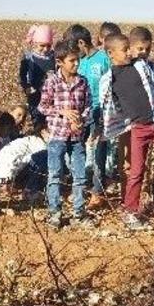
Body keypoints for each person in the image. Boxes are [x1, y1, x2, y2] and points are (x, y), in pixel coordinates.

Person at [99, 33, 154, 231]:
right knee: (136, 170)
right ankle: (130, 211)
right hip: (138, 128)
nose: (130, 52)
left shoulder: (141, 66)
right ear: (111, 53)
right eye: (124, 50)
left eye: (130, 48)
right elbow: (109, 106)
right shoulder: (109, 79)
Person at [38, 40, 96, 229]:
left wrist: (82, 120)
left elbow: (88, 106)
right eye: (72, 60)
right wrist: (62, 111)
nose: (76, 64)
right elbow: (42, 106)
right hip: (57, 136)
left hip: (77, 137)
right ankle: (55, 213)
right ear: (60, 62)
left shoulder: (83, 82)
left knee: (79, 176)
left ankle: (79, 213)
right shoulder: (52, 81)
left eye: (78, 60)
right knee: (55, 174)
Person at [64, 24, 113, 209]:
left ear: (82, 43)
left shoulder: (103, 59)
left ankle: (98, 190)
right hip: (81, 112)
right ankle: (79, 186)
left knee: (99, 149)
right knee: (77, 148)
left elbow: (112, 84)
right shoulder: (78, 61)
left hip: (101, 111)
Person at [19, 24, 56, 121]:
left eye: (49, 46)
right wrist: (26, 86)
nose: (45, 49)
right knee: (37, 118)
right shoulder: (28, 57)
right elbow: (22, 76)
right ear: (35, 43)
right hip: (35, 96)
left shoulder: (54, 57)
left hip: (51, 97)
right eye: (42, 46)